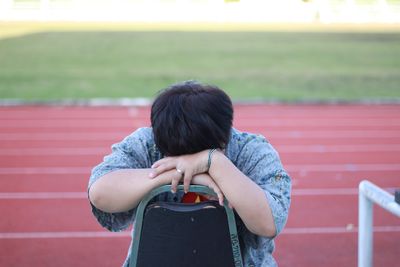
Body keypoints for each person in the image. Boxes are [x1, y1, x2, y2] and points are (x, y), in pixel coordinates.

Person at [88, 80, 291, 267]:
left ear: (224, 138)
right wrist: (176, 173)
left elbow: (268, 224)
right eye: (177, 154)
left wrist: (215, 163)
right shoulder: (149, 141)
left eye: (194, 154)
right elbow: (100, 193)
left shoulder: (252, 150)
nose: (186, 158)